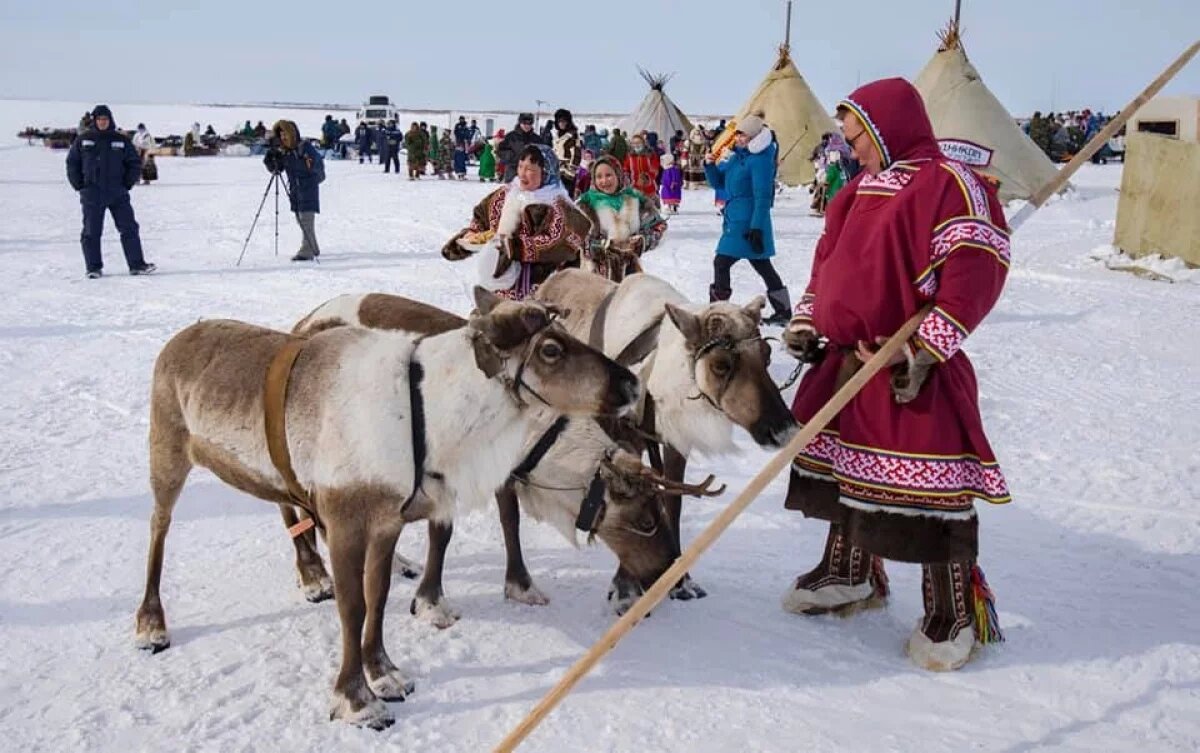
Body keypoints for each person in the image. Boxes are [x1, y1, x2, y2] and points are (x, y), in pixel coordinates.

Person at [779, 78, 1009, 672]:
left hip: (910, 369)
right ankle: (849, 573)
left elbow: (977, 270)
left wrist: (928, 348)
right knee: (841, 474)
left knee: (931, 497)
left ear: (886, 129)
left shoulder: (950, 184)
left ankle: (952, 612)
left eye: (857, 136)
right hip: (847, 363)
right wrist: (808, 320)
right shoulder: (854, 192)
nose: (850, 147)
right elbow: (826, 264)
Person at [442, 144, 589, 300]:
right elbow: (481, 217)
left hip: (541, 294)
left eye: (530, 169)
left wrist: (513, 247)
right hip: (498, 292)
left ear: (546, 173)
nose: (522, 173)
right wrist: (471, 236)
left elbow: (559, 244)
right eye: (520, 166)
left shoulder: (558, 205)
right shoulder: (504, 194)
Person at [703, 115, 790, 324]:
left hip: (748, 222)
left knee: (721, 262)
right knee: (762, 265)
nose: (739, 138)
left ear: (755, 137)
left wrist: (757, 227)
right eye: (738, 134)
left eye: (744, 135)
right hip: (734, 219)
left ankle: (718, 312)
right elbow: (719, 183)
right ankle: (783, 311)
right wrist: (710, 165)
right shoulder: (737, 157)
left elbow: (762, 197)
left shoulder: (760, 161)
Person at [65, 105, 155, 278]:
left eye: (105, 119)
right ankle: (93, 268)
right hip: (92, 193)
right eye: (99, 119)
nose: (102, 122)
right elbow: (72, 163)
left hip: (117, 193)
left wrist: (126, 184)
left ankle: (137, 264)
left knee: (129, 228)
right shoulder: (84, 140)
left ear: (110, 120)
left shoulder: (120, 140)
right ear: (94, 121)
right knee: (91, 231)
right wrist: (80, 186)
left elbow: (134, 162)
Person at [576, 154, 667, 281]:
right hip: (595, 278)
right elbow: (576, 238)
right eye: (599, 177)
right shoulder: (585, 205)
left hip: (630, 276)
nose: (604, 181)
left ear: (618, 175)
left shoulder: (635, 199)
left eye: (609, 175)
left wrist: (642, 242)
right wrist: (601, 246)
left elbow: (659, 226)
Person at [264, 120, 325, 261]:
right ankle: (313, 247)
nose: (284, 137)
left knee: (306, 221)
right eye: (281, 135)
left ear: (292, 134)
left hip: (308, 189)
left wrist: (301, 159)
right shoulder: (286, 151)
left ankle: (306, 251)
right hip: (295, 191)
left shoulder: (305, 148)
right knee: (301, 220)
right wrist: (271, 159)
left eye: (286, 134)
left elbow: (314, 166)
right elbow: (277, 169)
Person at [496, 113, 545, 183]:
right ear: (520, 123)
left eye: (529, 123)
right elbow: (500, 150)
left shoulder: (537, 139)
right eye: (524, 123)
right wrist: (512, 156)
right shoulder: (511, 136)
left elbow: (543, 154)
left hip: (530, 174)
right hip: (512, 172)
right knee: (512, 189)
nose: (527, 126)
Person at [551, 108, 582, 196]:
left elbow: (577, 154)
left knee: (566, 196)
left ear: (568, 122)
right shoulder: (557, 135)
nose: (562, 123)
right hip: (557, 170)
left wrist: (571, 172)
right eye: (559, 121)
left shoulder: (573, 135)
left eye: (564, 121)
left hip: (567, 171)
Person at [622, 133, 660, 200]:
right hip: (635, 189)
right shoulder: (630, 157)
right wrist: (625, 176)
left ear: (643, 143)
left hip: (650, 189)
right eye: (634, 143)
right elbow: (625, 168)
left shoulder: (650, 155)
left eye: (638, 142)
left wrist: (646, 177)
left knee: (650, 205)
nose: (636, 145)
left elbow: (655, 169)